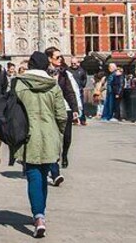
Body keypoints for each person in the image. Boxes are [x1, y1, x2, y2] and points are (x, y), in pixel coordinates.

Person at [14, 51, 68, 239]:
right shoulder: (53, 87)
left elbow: (11, 113)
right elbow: (62, 115)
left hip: (27, 137)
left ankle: (38, 216)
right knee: (44, 174)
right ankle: (40, 215)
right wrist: (58, 132)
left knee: (34, 177)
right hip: (49, 135)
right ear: (46, 66)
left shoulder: (18, 84)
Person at [46, 47, 81, 179]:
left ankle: (64, 154)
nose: (61, 59)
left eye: (61, 57)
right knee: (52, 139)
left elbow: (69, 92)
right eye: (57, 57)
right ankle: (53, 165)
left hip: (65, 108)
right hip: (49, 109)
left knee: (67, 136)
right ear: (49, 59)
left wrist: (75, 109)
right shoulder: (44, 73)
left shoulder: (64, 74)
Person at [69, 57, 88, 124]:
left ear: (78, 63)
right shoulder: (68, 70)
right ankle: (74, 119)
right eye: (72, 63)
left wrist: (82, 85)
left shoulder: (82, 70)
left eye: (75, 63)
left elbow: (84, 79)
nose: (73, 64)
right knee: (72, 105)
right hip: (71, 90)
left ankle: (82, 119)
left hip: (79, 90)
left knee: (81, 105)